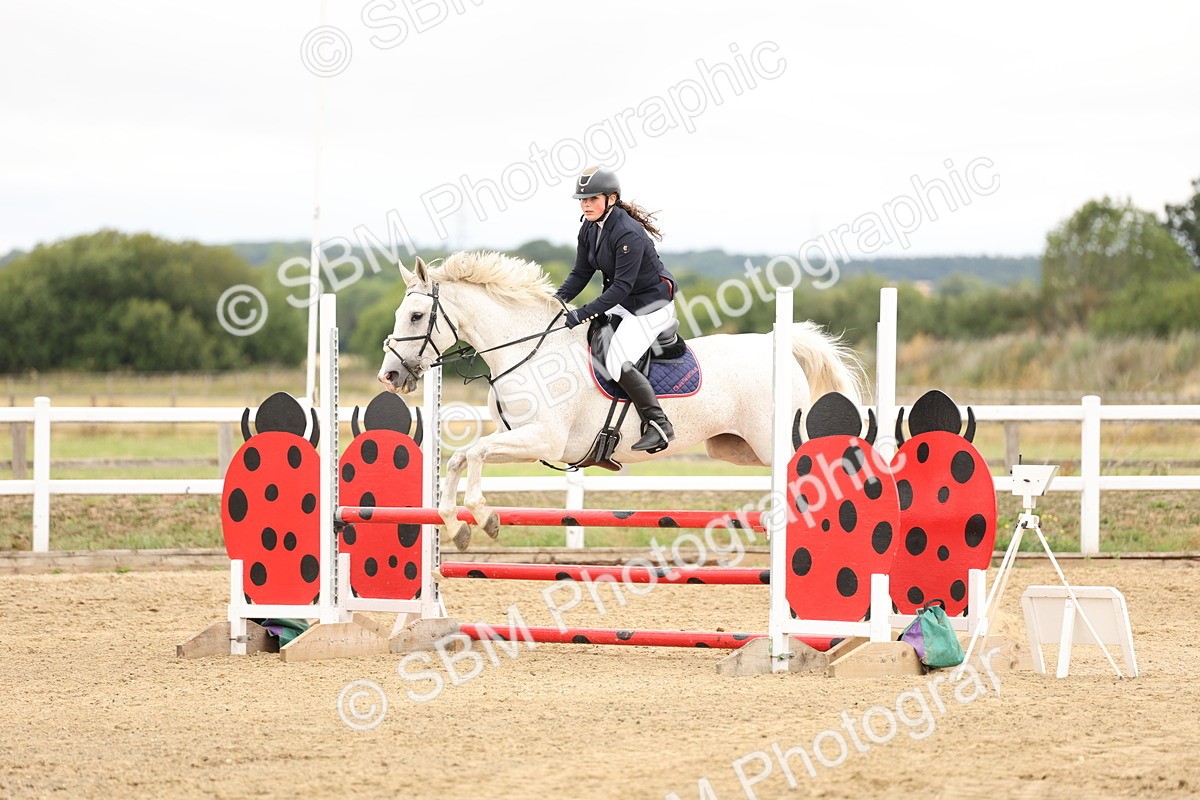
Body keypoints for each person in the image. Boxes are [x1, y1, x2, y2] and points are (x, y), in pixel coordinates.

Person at [555, 167, 678, 452]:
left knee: (616, 362)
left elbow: (620, 288)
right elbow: (580, 273)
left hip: (651, 306)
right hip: (625, 303)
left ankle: (659, 424)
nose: (586, 204)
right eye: (582, 200)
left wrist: (581, 313)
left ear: (611, 198)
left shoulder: (627, 233)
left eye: (592, 198)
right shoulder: (589, 227)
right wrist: (556, 302)